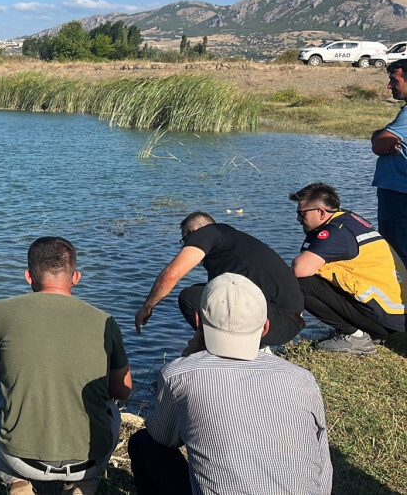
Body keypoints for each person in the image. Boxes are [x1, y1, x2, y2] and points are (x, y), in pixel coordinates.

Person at [128, 273, 332, 495]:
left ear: (198, 320)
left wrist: (189, 357)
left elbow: (162, 437)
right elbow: (323, 464)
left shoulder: (179, 374)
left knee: (144, 444)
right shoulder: (302, 378)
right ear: (265, 327)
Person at [0, 237, 131, 495]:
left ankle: (16, 482)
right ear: (76, 277)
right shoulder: (105, 320)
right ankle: (84, 483)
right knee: (111, 408)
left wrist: (11, 367)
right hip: (89, 461)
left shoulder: (0, 311)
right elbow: (123, 389)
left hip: (20, 460)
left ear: (28, 277)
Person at [134, 212, 304, 350]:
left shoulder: (207, 233)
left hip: (276, 322)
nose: (186, 245)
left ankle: (219, 353)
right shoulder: (231, 243)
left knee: (189, 297)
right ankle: (246, 349)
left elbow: (171, 275)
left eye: (185, 240)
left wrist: (147, 307)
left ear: (194, 232)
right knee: (209, 293)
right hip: (288, 322)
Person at [290, 182, 405, 354]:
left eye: (302, 213)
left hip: (386, 319)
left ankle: (355, 336)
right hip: (394, 314)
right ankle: (368, 332)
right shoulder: (346, 219)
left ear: (321, 212)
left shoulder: (336, 232)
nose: (298, 218)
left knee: (299, 283)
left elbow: (300, 269)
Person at [371, 59, 407, 262]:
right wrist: (381, 136)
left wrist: (380, 137)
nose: (389, 86)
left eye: (394, 80)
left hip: (398, 194)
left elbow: (378, 146)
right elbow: (382, 139)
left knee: (396, 254)